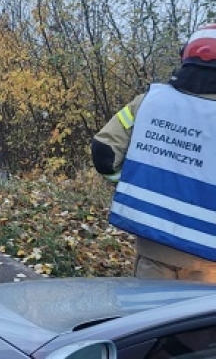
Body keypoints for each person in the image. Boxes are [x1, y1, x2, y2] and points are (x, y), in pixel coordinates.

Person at [91, 23, 216, 282]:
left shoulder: (150, 103)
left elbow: (104, 152)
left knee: (146, 319)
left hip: (154, 248)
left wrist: (130, 183)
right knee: (198, 323)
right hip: (209, 258)